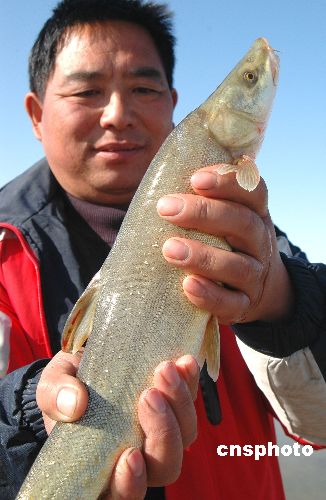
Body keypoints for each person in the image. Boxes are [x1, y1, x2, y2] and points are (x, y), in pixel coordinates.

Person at [0, 0, 325, 498]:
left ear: (174, 104)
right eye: (87, 90)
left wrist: (283, 305)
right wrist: (22, 418)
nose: (117, 114)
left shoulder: (258, 239)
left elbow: (319, 426)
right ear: (37, 115)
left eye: (143, 89)